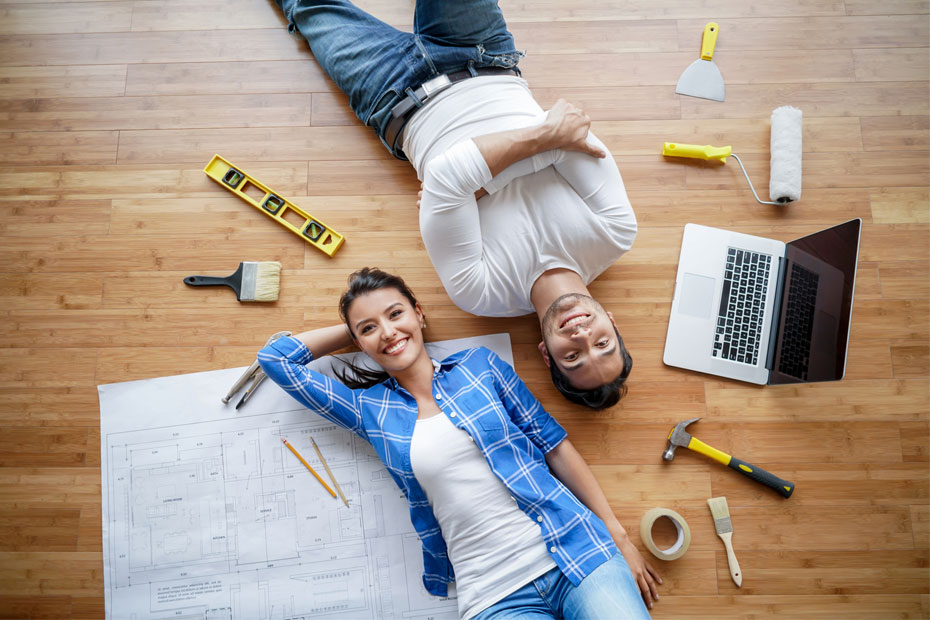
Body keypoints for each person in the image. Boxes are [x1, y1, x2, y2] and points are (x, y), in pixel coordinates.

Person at [272, 0, 638, 409]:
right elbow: (569, 136)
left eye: (572, 356)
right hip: (482, 53)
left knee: (306, 4)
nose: (582, 337)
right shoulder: (616, 234)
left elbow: (555, 141)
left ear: (546, 352)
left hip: (389, 94)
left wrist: (540, 142)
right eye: (603, 343)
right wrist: (471, 191)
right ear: (613, 323)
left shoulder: (480, 295)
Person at [257, 267, 660, 619]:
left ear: (419, 313)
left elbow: (555, 446)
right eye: (369, 328)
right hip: (493, 594)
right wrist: (357, 329)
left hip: (577, 551)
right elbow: (277, 360)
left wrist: (617, 534)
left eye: (396, 314)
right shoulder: (368, 410)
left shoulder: (480, 365)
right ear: (358, 342)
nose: (388, 331)